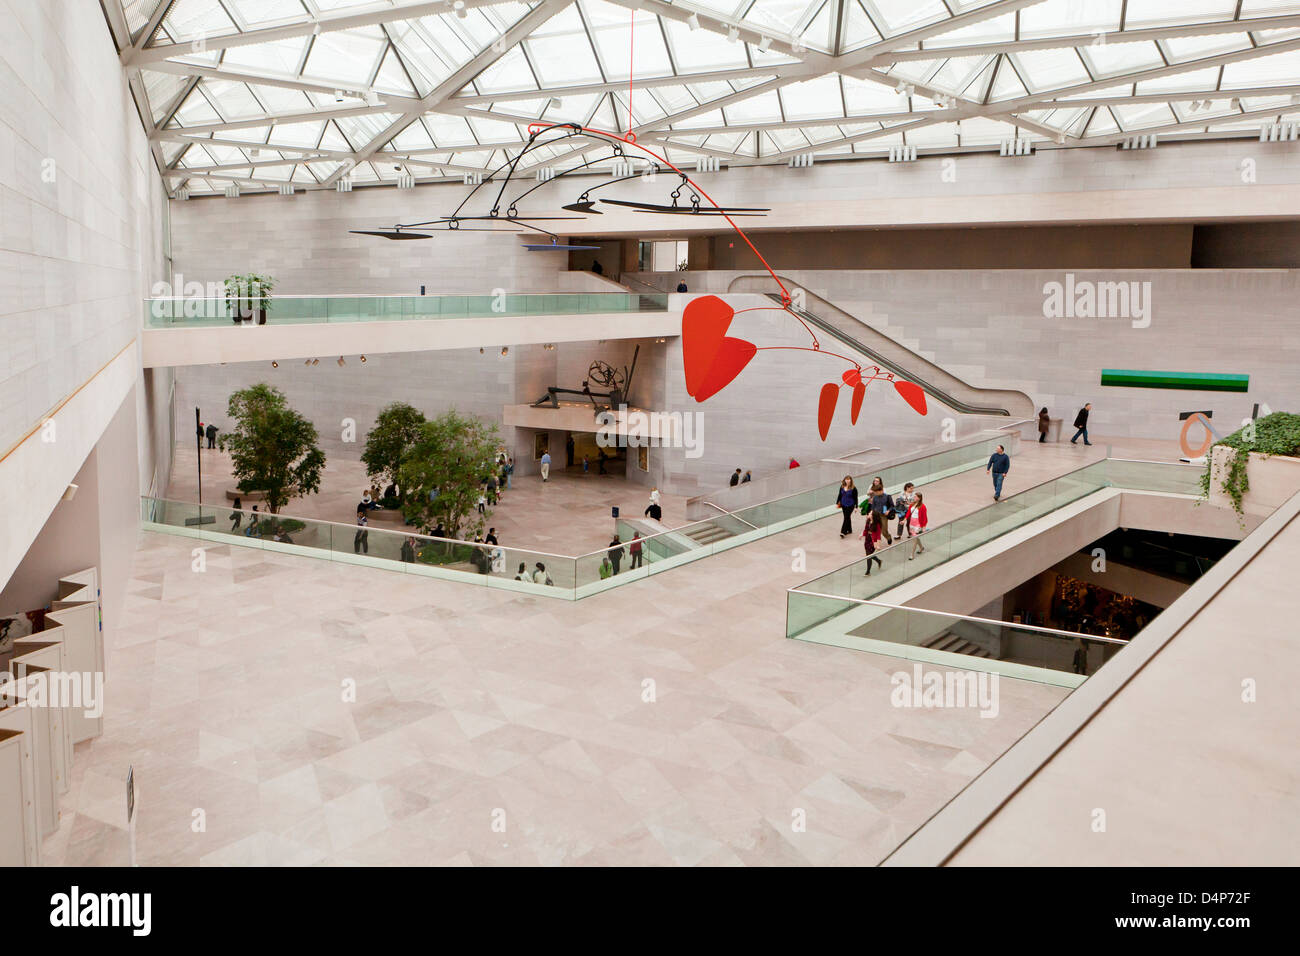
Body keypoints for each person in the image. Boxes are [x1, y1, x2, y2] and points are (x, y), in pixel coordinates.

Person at [866, 477, 895, 545]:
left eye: (876, 492)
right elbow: (873, 507)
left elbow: (892, 506)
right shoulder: (875, 497)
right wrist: (871, 513)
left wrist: (888, 510)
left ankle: (888, 537)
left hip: (883, 516)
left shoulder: (888, 497)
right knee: (875, 529)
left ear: (881, 490)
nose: (875, 493)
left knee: (884, 531)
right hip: (876, 515)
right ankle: (877, 542)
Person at [906, 492, 928, 559]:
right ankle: (921, 547)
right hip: (912, 523)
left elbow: (924, 517)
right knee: (915, 537)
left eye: (915, 497)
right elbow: (908, 513)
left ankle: (912, 554)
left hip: (918, 524)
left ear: (919, 498)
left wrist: (924, 526)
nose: (914, 498)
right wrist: (904, 520)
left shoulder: (923, 506)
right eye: (914, 496)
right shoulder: (912, 504)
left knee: (914, 539)